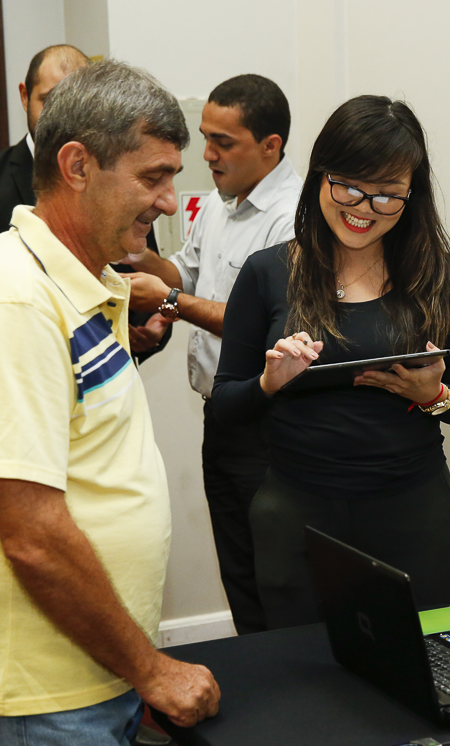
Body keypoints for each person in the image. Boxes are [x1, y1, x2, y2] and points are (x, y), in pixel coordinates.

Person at [0, 61, 220, 746]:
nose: (164, 202)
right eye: (151, 178)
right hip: (39, 696)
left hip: (85, 666)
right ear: (77, 165)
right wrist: (153, 670)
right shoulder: (13, 303)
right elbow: (32, 533)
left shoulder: (69, 281)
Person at [209, 95, 450, 630]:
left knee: (421, 671)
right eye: (350, 187)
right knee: (306, 679)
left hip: (413, 512)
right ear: (320, 176)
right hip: (297, 516)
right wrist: (268, 383)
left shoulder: (440, 278)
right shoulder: (268, 273)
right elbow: (225, 405)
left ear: (413, 195)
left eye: (388, 196)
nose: (364, 208)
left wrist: (434, 396)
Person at [125, 74, 302, 635]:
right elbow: (187, 272)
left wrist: (169, 301)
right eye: (206, 137)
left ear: (270, 146)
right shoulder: (222, 203)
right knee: (238, 566)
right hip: (221, 414)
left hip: (272, 422)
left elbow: (261, 330)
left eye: (224, 142)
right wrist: (135, 248)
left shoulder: (291, 217)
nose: (209, 155)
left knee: (277, 575)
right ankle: (257, 676)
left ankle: (287, 693)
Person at [0, 45, 171, 362]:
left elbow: (144, 272)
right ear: (25, 96)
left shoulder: (120, 179)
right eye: (50, 101)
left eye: (80, 105)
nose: (64, 118)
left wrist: (150, 326)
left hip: (107, 371)